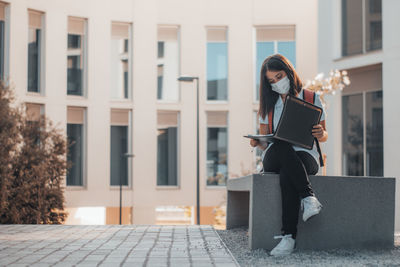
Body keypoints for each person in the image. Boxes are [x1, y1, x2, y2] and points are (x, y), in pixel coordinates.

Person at [250, 54, 328, 256]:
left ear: (289, 72)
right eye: (271, 81)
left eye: (279, 76)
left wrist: (321, 133)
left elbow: (324, 135)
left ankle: (288, 239)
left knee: (288, 173)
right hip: (274, 156)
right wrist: (258, 142)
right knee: (281, 141)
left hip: (306, 157)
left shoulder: (311, 97)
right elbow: (265, 142)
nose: (276, 83)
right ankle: (308, 197)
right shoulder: (268, 105)